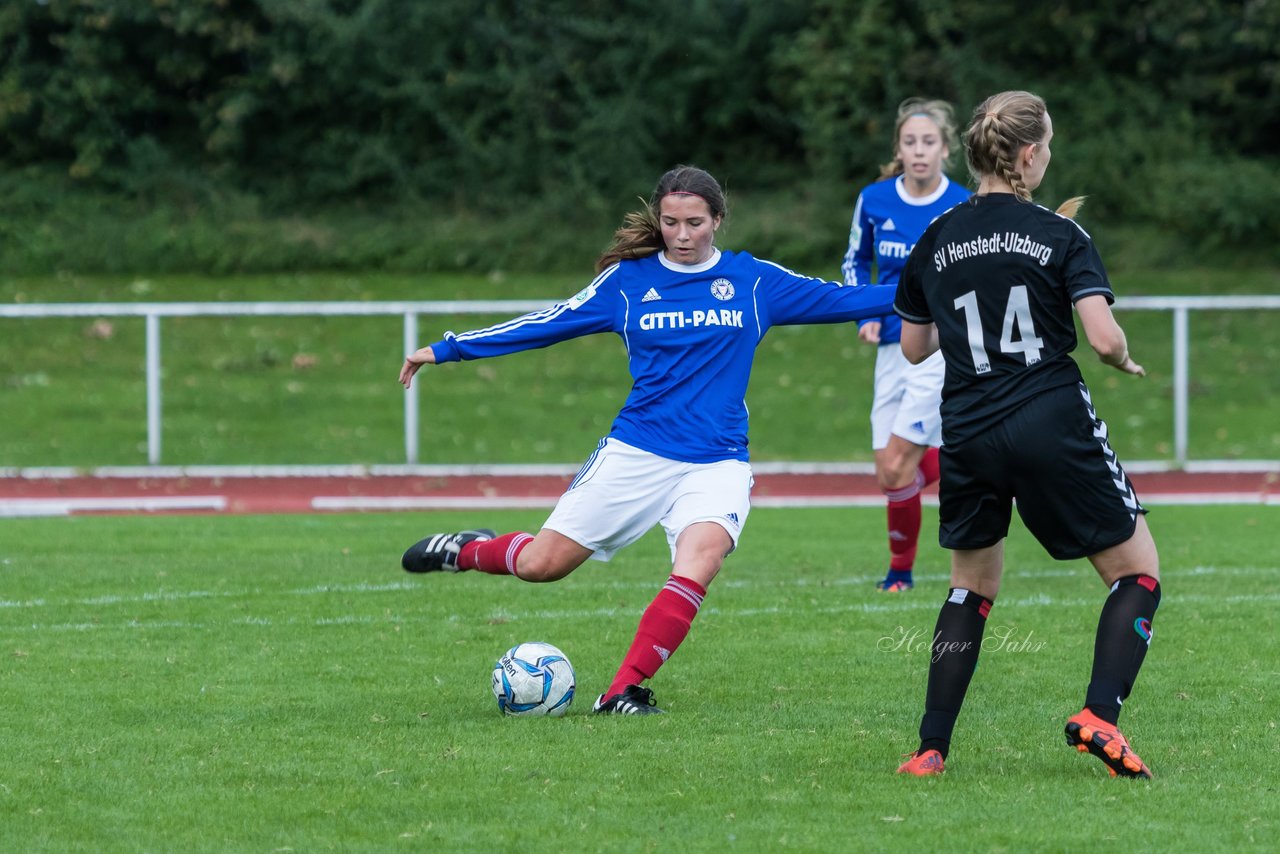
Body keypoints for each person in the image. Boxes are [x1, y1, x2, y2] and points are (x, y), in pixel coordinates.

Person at [397, 165, 897, 715]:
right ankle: (465, 550)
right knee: (544, 564)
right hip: (637, 451)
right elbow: (547, 323)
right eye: (671, 223)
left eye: (695, 223)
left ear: (718, 221)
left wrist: (940, 285)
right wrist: (449, 349)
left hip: (718, 460)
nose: (682, 235)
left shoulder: (753, 282)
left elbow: (846, 300)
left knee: (700, 560)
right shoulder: (628, 284)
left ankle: (621, 691)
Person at [892, 92, 1161, 778]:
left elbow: (915, 347)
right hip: (1048, 417)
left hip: (970, 428)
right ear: (1030, 155)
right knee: (1137, 573)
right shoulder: (1059, 234)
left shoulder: (938, 236)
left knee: (970, 588)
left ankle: (929, 749)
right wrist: (1125, 357)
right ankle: (1100, 714)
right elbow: (1101, 339)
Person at [841, 98, 972, 592]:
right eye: (910, 142)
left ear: (945, 148)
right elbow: (855, 262)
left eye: (929, 142)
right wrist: (863, 313)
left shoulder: (961, 204)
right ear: (898, 147)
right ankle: (984, 461)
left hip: (938, 349)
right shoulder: (873, 199)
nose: (919, 151)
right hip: (890, 349)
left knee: (898, 465)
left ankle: (900, 574)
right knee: (889, 472)